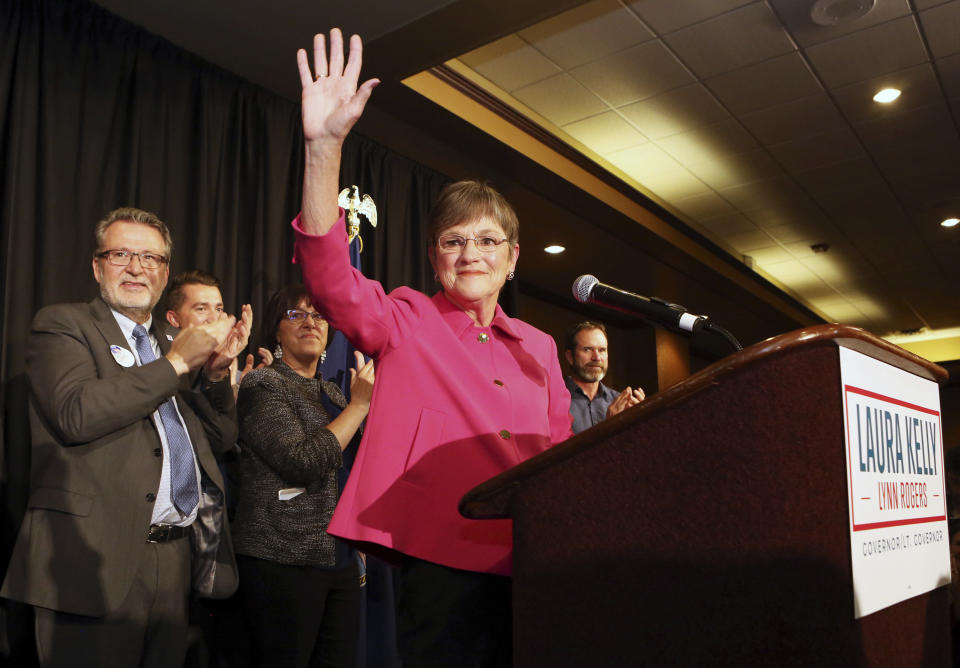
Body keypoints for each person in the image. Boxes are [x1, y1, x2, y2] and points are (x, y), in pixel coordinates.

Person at [290, 29, 574, 666]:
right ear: (434, 256)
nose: (469, 253)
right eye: (452, 241)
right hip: (443, 562)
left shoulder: (541, 347)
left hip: (533, 564)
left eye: (486, 242)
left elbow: (558, 457)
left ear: (513, 259)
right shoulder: (408, 318)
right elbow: (329, 277)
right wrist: (324, 147)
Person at [0, 207, 250, 668]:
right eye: (121, 254)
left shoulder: (167, 341)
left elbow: (219, 441)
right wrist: (176, 365)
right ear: (98, 266)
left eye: (150, 258)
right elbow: (77, 413)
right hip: (89, 560)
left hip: (173, 561)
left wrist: (213, 377)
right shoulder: (63, 325)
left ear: (164, 273)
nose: (136, 267)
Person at [232, 284, 374, 668]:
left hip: (339, 559)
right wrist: (361, 406)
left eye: (319, 315)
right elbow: (302, 460)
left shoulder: (332, 392)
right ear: (276, 331)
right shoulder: (264, 384)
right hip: (281, 556)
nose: (310, 323)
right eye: (296, 315)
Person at [165, 269, 273, 396]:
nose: (214, 318)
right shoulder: (163, 364)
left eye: (218, 309)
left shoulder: (232, 371)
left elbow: (224, 413)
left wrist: (244, 392)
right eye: (201, 309)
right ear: (174, 319)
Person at [564, 321, 645, 433]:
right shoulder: (552, 399)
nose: (597, 357)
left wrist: (643, 421)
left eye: (602, 350)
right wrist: (610, 427)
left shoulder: (619, 402)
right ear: (570, 357)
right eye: (587, 349)